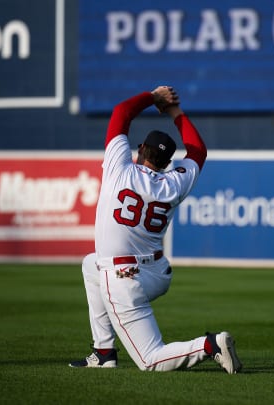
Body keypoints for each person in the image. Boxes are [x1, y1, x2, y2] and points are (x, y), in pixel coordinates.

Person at [69, 85, 242, 374]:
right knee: (90, 264)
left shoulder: (119, 169)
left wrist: (155, 98)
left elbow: (121, 113)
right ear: (166, 163)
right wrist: (175, 112)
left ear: (140, 150)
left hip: (124, 278)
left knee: (150, 359)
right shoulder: (174, 183)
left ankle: (210, 345)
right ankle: (103, 352)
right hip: (156, 273)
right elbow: (198, 151)